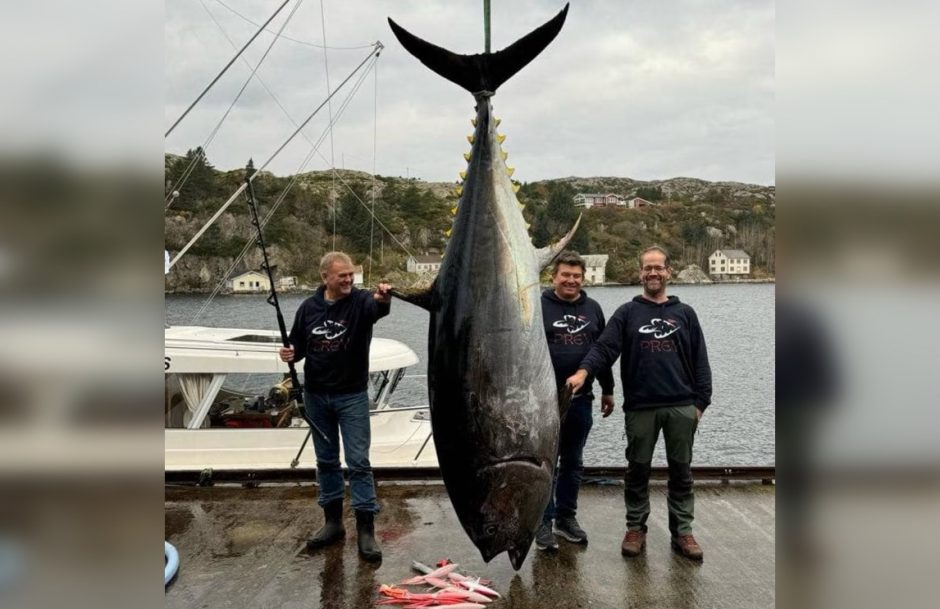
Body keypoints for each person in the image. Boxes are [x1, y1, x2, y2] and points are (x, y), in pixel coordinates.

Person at [567, 246, 712, 561]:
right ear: (640, 272)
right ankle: (635, 527)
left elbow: (701, 361)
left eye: (658, 267)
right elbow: (603, 349)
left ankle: (683, 532)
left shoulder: (685, 314)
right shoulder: (627, 314)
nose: (653, 273)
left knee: (681, 472)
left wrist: (700, 403)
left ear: (668, 271)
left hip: (681, 406)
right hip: (640, 408)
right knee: (637, 472)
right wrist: (583, 371)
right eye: (648, 268)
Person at [279, 251, 392, 562]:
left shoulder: (360, 302)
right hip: (317, 396)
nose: (348, 279)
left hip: (352, 396)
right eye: (341, 275)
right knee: (326, 461)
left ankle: (366, 530)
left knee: (358, 462)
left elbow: (378, 308)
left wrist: (383, 297)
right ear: (325, 277)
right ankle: (332, 524)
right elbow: (298, 347)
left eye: (350, 274)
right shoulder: (308, 308)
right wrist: (289, 354)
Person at [536, 251, 616, 552]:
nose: (571, 280)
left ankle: (566, 518)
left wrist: (608, 389)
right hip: (542, 403)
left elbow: (604, 352)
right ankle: (542, 520)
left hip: (581, 400)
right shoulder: (537, 306)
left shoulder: (593, 309)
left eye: (576, 276)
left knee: (573, 462)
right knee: (545, 464)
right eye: (565, 275)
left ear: (583, 279)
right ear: (554, 276)